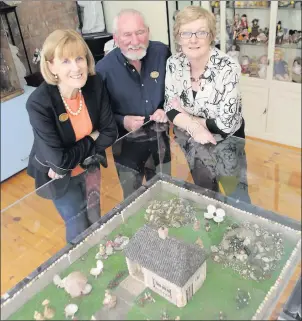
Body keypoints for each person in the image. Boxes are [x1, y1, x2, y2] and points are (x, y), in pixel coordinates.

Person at [26, 29, 117, 243]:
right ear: (51, 66)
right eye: (65, 61)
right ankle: (79, 271)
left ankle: (100, 259)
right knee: (77, 226)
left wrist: (79, 150)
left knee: (95, 216)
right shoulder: (39, 103)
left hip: (90, 165)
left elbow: (110, 133)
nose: (76, 67)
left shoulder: (95, 84)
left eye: (79, 58)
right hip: (58, 178)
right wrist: (92, 137)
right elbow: (59, 163)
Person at [164, 6, 249, 201]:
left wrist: (189, 119)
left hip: (227, 143)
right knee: (206, 195)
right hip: (194, 142)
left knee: (238, 197)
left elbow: (226, 124)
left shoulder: (228, 68)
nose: (193, 39)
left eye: (201, 32)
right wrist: (195, 128)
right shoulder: (173, 63)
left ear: (211, 36)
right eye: (186, 33)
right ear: (178, 37)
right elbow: (169, 107)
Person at [96, 9, 171, 199]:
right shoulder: (103, 70)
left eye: (140, 32)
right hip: (126, 146)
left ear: (148, 31)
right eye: (127, 34)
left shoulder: (162, 52)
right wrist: (122, 120)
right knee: (132, 197)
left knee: (165, 190)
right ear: (116, 37)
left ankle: (164, 228)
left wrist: (165, 108)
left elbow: (174, 91)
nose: (135, 41)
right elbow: (99, 117)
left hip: (159, 140)